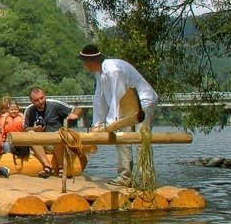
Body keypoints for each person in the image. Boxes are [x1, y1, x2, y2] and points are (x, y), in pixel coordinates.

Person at [78, 43, 158, 187]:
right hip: (125, 106)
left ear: (90, 62)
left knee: (141, 140)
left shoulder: (113, 70)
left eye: (84, 62)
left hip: (143, 102)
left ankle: (145, 180)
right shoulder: (99, 73)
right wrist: (97, 123)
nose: (83, 65)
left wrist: (111, 122)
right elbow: (99, 98)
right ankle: (125, 177)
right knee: (122, 139)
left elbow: (117, 94)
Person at [23, 87, 82, 177]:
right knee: (30, 134)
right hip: (41, 145)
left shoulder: (55, 105)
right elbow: (25, 129)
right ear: (31, 101)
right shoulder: (29, 110)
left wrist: (75, 114)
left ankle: (61, 167)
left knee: (58, 135)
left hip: (58, 144)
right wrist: (34, 129)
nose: (40, 102)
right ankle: (47, 166)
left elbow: (77, 108)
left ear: (45, 96)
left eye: (42, 98)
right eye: (36, 100)